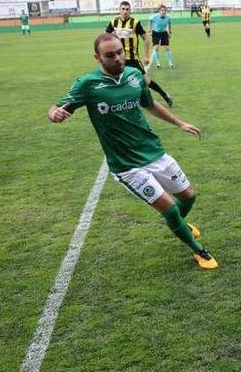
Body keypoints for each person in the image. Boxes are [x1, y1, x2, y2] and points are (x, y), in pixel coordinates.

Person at [47, 33, 218, 270]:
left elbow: (150, 104)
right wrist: (54, 114)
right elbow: (56, 107)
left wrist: (180, 123)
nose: (117, 58)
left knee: (189, 197)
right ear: (97, 58)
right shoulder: (88, 84)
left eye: (120, 52)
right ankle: (199, 251)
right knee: (169, 208)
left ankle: (178, 223)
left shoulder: (134, 75)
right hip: (127, 165)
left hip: (154, 152)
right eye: (110, 55)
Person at [106, 1, 173, 107]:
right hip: (118, 59)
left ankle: (165, 95)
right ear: (119, 9)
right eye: (123, 9)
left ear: (130, 10)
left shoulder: (135, 22)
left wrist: (146, 56)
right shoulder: (113, 22)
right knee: (114, 80)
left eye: (127, 9)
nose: (125, 11)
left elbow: (146, 38)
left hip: (133, 58)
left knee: (146, 81)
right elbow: (106, 37)